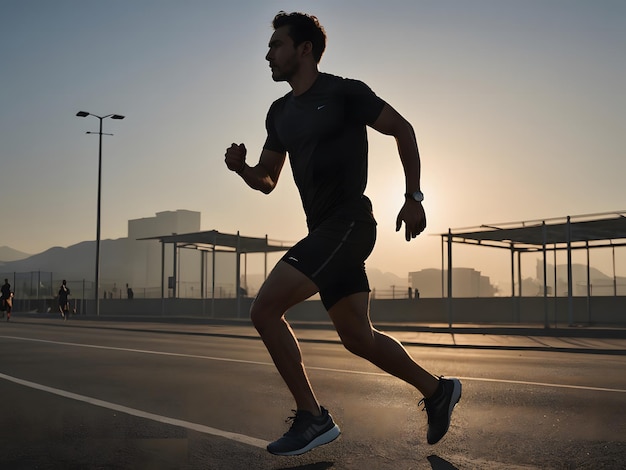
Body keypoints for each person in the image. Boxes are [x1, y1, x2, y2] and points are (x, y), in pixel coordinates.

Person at [224, 11, 461, 456]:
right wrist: (242, 170)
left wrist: (414, 197)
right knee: (357, 337)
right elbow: (268, 179)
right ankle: (437, 391)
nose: (268, 54)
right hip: (325, 231)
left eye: (276, 45)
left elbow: (402, 129)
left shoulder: (344, 93)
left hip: (349, 223)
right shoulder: (278, 113)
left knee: (264, 310)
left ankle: (313, 417)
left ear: (304, 49)